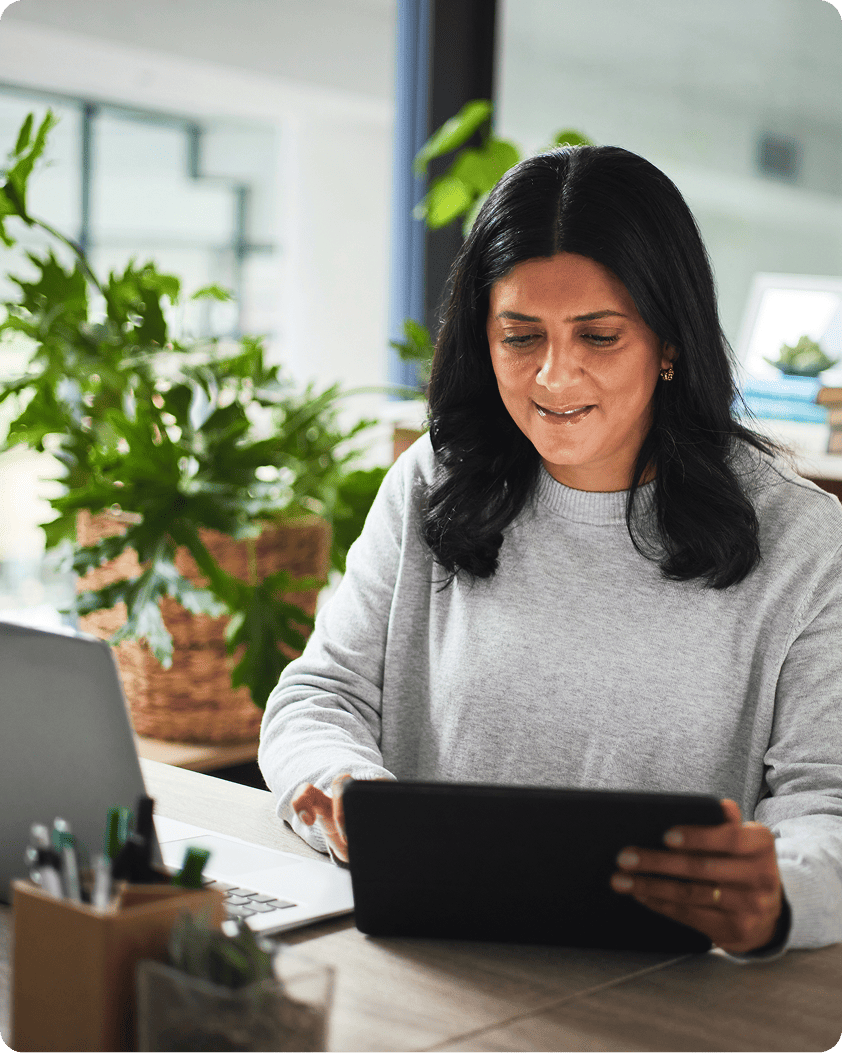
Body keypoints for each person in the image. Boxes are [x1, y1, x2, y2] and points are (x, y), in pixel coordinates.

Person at [258, 145, 842, 959]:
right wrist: (335, 779)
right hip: (430, 960)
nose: (554, 376)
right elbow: (319, 695)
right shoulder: (432, 480)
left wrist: (781, 893)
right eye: (520, 336)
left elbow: (827, 802)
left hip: (663, 987)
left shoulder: (801, 537)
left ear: (669, 343)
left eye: (598, 336)